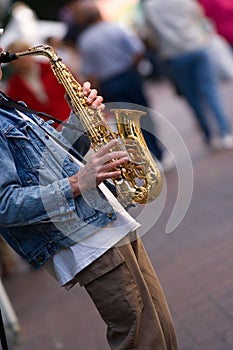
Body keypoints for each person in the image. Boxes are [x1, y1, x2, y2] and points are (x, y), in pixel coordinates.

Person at [0, 44, 178, 349]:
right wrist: (76, 183)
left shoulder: (5, 105)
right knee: (139, 337)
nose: (2, 47)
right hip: (82, 237)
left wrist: (83, 118)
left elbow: (53, 159)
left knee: (159, 325)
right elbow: (5, 205)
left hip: (102, 219)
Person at [73, 2, 174, 171]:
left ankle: (151, 158)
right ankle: (159, 153)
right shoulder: (116, 28)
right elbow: (138, 50)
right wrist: (132, 67)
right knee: (144, 115)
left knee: (127, 124)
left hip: (109, 84)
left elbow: (91, 73)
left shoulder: (85, 41)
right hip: (129, 76)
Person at [142, 0, 233, 151]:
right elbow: (199, 15)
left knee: (192, 98)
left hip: (174, 55)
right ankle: (225, 132)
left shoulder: (150, 6)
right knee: (210, 91)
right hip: (197, 46)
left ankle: (210, 135)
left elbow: (151, 35)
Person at [4, 40, 71, 129]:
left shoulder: (53, 68)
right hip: (49, 132)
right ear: (11, 62)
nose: (23, 59)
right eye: (17, 58)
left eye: (25, 53)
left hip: (72, 120)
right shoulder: (13, 87)